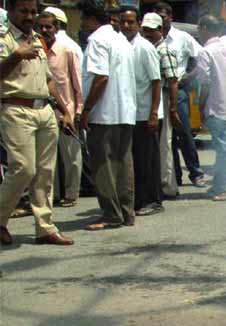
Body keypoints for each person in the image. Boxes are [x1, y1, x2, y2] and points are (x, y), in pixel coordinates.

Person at [0, 0, 73, 246]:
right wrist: (16, 56)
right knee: (23, 168)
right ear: (11, 11)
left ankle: (44, 227)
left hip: (44, 110)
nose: (29, 16)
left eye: (33, 12)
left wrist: (65, 110)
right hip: (17, 108)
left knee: (45, 172)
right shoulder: (5, 38)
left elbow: (49, 80)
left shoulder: (38, 39)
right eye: (24, 11)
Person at [79, 0, 136, 231]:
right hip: (124, 112)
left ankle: (111, 214)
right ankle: (125, 212)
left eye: (82, 18)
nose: (81, 23)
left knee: (103, 166)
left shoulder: (97, 40)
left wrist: (86, 109)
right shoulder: (120, 39)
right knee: (123, 164)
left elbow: (101, 77)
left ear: (92, 19)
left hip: (105, 113)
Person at [154, 1, 205, 187]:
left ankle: (196, 173)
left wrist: (189, 76)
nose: (160, 20)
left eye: (163, 16)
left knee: (184, 133)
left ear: (170, 17)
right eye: (157, 16)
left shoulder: (182, 38)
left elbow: (202, 58)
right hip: (158, 93)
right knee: (165, 138)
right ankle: (174, 175)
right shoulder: (151, 38)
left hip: (179, 91)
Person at [119, 7, 163, 217]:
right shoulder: (120, 46)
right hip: (128, 113)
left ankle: (153, 200)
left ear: (137, 24)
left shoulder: (144, 48)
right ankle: (137, 200)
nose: (126, 26)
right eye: (123, 22)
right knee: (135, 159)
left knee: (148, 160)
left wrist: (154, 114)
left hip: (145, 113)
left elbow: (156, 82)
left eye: (130, 22)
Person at [36, 11, 83, 209]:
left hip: (67, 111)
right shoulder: (35, 50)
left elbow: (77, 84)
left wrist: (77, 111)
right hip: (42, 110)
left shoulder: (67, 50)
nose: (45, 30)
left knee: (71, 156)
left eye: (49, 27)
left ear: (56, 28)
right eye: (41, 27)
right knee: (46, 159)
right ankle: (51, 195)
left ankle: (71, 194)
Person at [195, 15, 226, 201]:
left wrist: (201, 103)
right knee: (224, 146)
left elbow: (205, 82)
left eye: (199, 29)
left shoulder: (206, 51)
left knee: (224, 148)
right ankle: (219, 185)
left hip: (215, 104)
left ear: (204, 29)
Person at [140, 11, 180, 201]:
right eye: (145, 30)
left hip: (163, 98)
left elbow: (172, 81)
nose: (147, 33)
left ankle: (167, 186)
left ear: (160, 30)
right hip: (151, 98)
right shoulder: (146, 48)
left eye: (151, 30)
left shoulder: (163, 50)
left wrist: (173, 108)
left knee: (165, 143)